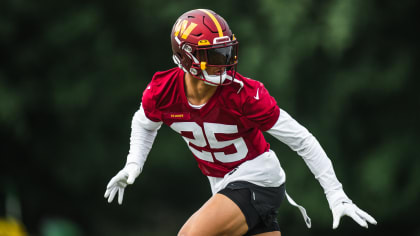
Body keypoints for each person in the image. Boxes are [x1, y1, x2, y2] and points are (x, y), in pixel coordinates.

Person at [104, 9, 377, 236]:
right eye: (213, 56)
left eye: (226, 53)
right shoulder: (162, 91)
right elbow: (144, 123)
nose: (223, 64)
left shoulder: (244, 95)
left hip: (257, 179)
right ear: (187, 57)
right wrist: (133, 164)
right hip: (223, 186)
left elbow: (302, 140)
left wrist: (336, 194)